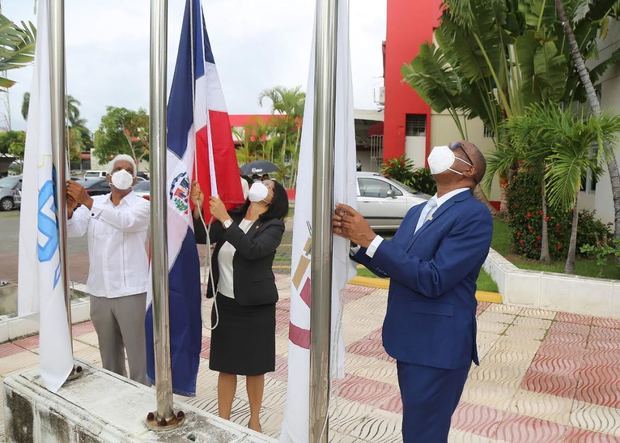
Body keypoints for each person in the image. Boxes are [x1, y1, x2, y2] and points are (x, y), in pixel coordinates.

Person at [333, 141, 492, 442]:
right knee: (416, 429)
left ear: (469, 170)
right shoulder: (419, 209)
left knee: (424, 434)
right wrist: (357, 241)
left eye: (459, 148)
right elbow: (393, 264)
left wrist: (372, 239)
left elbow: (434, 278)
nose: (448, 148)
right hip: (413, 340)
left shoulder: (474, 215)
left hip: (438, 345)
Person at [191, 178, 288, 433]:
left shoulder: (273, 226)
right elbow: (203, 234)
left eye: (270, 186)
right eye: (262, 181)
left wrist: (224, 219)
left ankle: (254, 419)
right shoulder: (234, 214)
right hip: (226, 303)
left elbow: (252, 250)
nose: (262, 184)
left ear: (274, 199)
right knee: (227, 365)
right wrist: (198, 207)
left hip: (256, 307)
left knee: (255, 367)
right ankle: (224, 419)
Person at [65, 154, 150, 385]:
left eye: (128, 170)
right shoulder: (97, 202)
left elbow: (126, 222)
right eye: (118, 169)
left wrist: (87, 202)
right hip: (100, 291)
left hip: (131, 291)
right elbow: (74, 230)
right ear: (109, 176)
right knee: (109, 355)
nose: (123, 172)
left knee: (138, 355)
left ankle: (142, 398)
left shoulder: (142, 205)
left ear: (134, 178)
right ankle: (116, 396)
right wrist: (71, 210)